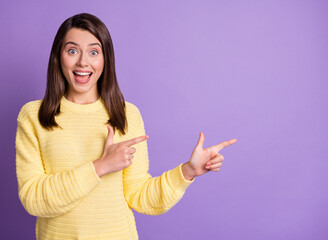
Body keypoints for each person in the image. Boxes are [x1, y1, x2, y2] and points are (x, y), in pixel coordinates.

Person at [15, 13, 237, 240]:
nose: (83, 62)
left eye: (94, 52)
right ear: (58, 56)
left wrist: (188, 171)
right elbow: (33, 199)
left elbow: (140, 195)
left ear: (105, 59)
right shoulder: (34, 116)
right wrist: (100, 167)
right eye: (72, 51)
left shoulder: (125, 114)